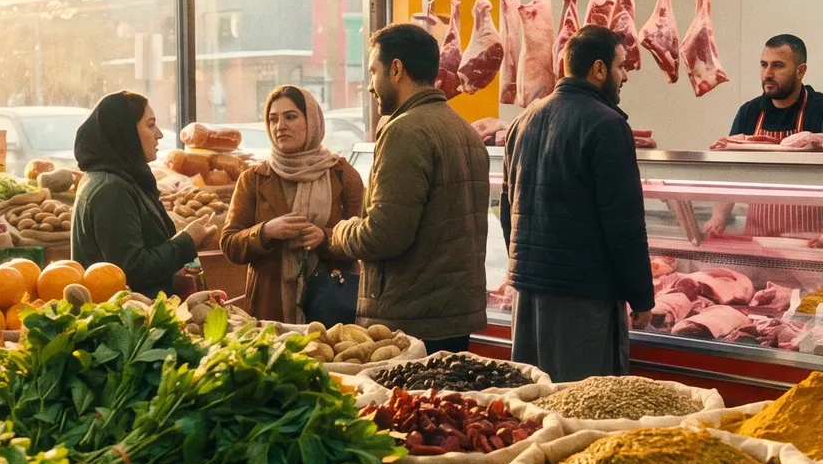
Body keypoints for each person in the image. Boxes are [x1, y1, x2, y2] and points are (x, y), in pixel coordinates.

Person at [501, 24, 655, 380]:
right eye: (620, 66)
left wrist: (522, 268)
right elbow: (624, 224)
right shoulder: (607, 125)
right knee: (584, 405)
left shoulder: (522, 121)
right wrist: (642, 297)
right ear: (599, 70)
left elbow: (507, 208)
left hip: (527, 296)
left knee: (533, 399)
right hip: (583, 300)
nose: (625, 76)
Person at [329, 23, 489, 353]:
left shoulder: (404, 132)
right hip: (452, 316)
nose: (371, 86)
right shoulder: (465, 131)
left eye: (374, 71)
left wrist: (340, 232)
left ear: (397, 69)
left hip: (410, 322)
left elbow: (385, 236)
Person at [220, 86, 366, 323]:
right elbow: (229, 244)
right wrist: (266, 231)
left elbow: (362, 242)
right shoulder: (254, 179)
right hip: (271, 311)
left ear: (313, 121)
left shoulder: (343, 176)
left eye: (290, 116)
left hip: (331, 309)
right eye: (273, 119)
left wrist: (325, 238)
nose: (280, 126)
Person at [705, 34, 823, 246]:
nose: (768, 73)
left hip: (809, 242)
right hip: (758, 241)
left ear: (800, 71)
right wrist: (718, 218)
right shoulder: (749, 112)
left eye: (778, 65)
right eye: (764, 65)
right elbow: (730, 173)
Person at [71, 91, 215, 296]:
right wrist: (187, 241)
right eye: (150, 125)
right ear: (125, 132)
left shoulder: (121, 179)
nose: (159, 133)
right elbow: (132, 268)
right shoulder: (110, 190)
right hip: (126, 319)